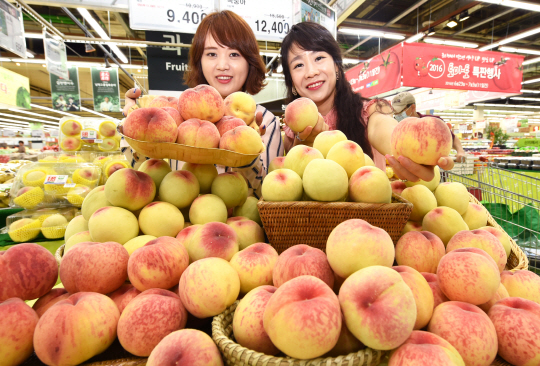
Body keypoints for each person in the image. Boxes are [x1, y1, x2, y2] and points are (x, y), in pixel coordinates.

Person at [121, 10, 283, 197]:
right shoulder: (176, 117)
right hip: (181, 223)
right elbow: (143, 174)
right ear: (199, 61)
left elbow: (271, 196)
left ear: (250, 61)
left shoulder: (264, 121)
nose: (222, 65)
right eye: (212, 54)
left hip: (243, 223)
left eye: (234, 54)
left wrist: (247, 156)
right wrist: (134, 129)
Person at [280, 22, 454, 182]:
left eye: (319, 58)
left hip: (368, 215)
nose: (311, 72)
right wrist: (301, 145)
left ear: (336, 66)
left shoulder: (369, 111)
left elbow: (385, 130)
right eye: (298, 65)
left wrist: (411, 154)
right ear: (292, 82)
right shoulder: (291, 133)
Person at [392, 91, 466, 163]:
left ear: (412, 107)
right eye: (395, 112)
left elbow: (452, 138)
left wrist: (460, 151)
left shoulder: (434, 122)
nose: (397, 114)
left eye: (400, 111)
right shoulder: (397, 126)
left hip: (434, 166)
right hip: (407, 167)